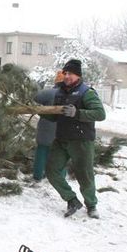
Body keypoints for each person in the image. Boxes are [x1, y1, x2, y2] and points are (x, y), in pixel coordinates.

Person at [43, 59, 106, 219]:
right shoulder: (60, 92)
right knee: (52, 171)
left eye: (70, 73)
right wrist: (40, 111)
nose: (67, 76)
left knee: (84, 175)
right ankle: (71, 200)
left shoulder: (87, 92)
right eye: (65, 73)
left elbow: (100, 114)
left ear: (78, 75)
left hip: (81, 141)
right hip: (62, 139)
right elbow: (56, 117)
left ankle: (91, 205)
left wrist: (77, 113)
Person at [33, 70, 64, 180]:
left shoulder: (49, 93)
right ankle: (60, 177)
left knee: (42, 152)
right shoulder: (72, 94)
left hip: (46, 128)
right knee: (61, 155)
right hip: (63, 131)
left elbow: (36, 97)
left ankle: (38, 176)